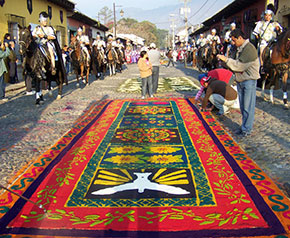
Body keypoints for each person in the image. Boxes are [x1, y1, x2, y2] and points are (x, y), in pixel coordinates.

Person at [217, 29, 260, 137]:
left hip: (249, 80)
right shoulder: (240, 48)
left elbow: (239, 66)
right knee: (243, 106)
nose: (233, 43)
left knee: (247, 106)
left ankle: (247, 129)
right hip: (242, 79)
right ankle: (244, 127)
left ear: (240, 38)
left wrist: (226, 60)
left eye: (234, 40)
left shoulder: (249, 48)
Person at [253, 9, 282, 73]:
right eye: (266, 15)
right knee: (262, 52)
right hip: (263, 42)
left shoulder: (275, 23)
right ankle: (262, 67)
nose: (267, 17)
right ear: (264, 16)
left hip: (273, 42)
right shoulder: (260, 23)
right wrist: (259, 39)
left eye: (269, 15)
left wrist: (278, 29)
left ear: (271, 16)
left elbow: (280, 31)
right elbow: (255, 33)